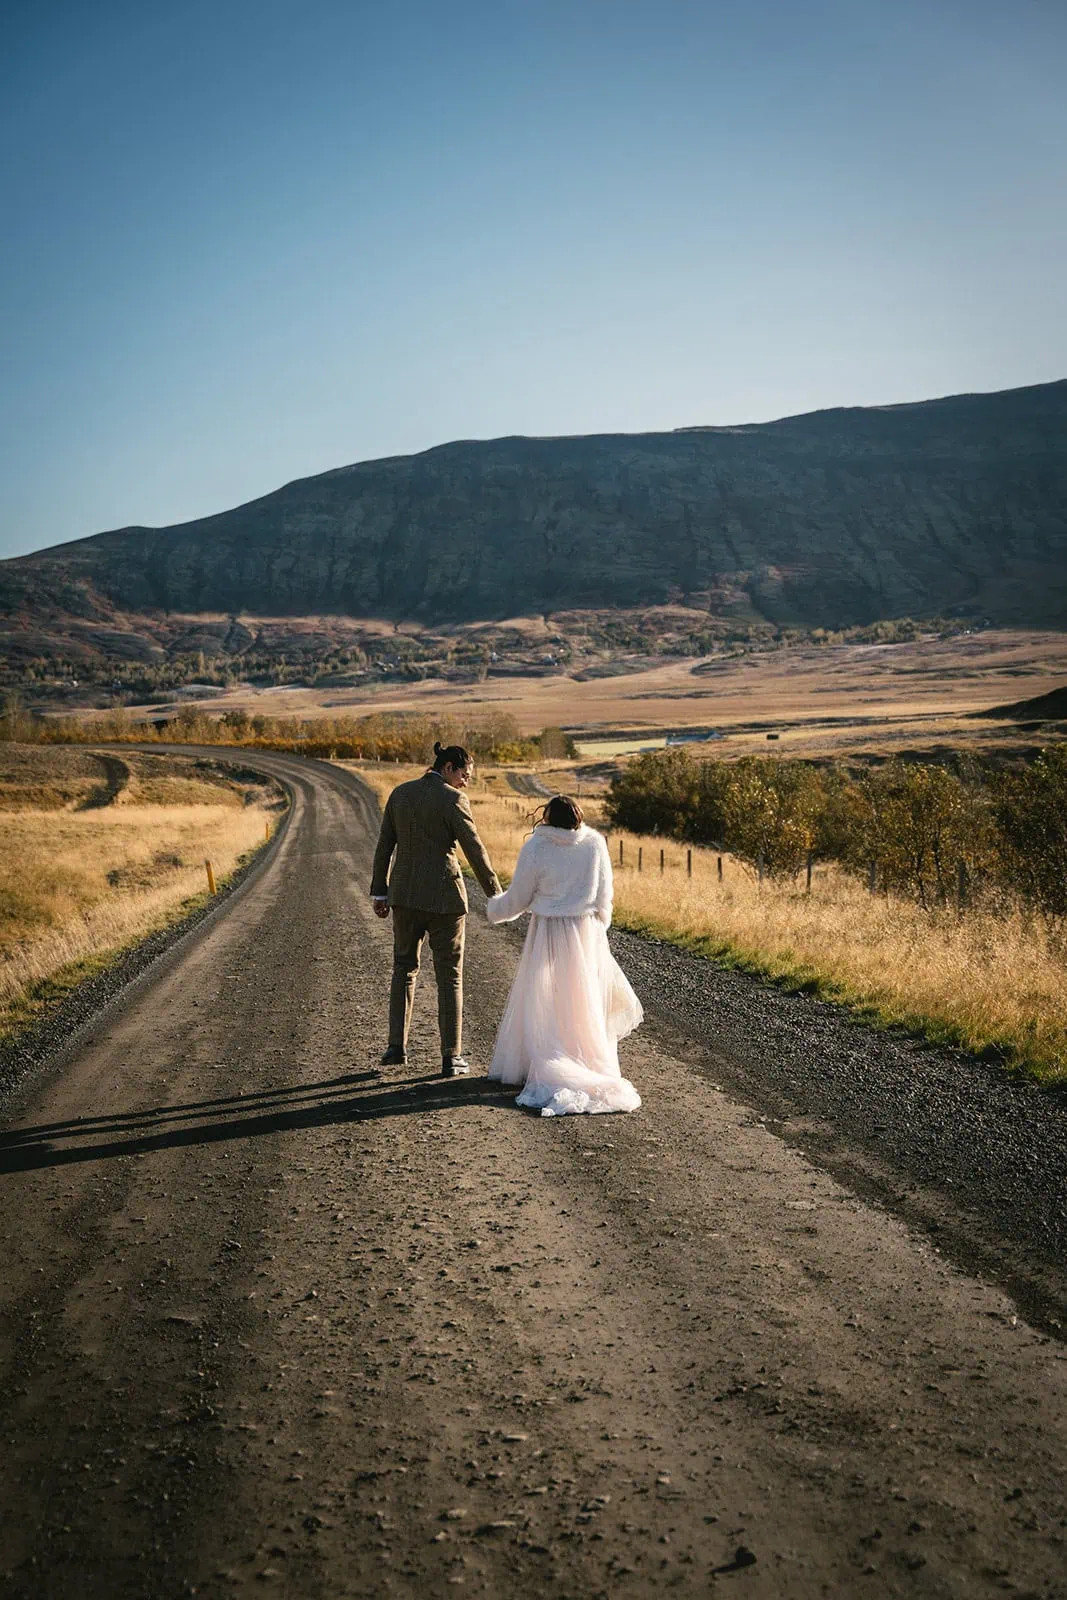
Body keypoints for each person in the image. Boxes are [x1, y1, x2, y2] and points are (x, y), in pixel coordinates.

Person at [486, 795, 643, 1116]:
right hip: (587, 933)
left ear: (547, 817)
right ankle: (584, 1057)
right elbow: (605, 898)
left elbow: (518, 898)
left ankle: (544, 1059)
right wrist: (598, 927)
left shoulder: (536, 847)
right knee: (582, 999)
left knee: (544, 998)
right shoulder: (595, 844)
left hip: (548, 933)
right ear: (577, 817)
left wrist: (493, 910)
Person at [370, 742, 501, 1077]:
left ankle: (396, 1048)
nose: (465, 782)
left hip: (405, 897)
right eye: (464, 775)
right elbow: (474, 847)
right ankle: (450, 1056)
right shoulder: (452, 799)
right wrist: (495, 894)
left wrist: (379, 893)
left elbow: (385, 844)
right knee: (450, 976)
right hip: (445, 900)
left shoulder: (400, 794)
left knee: (403, 969)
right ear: (447, 768)